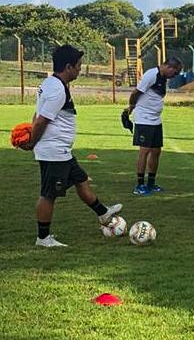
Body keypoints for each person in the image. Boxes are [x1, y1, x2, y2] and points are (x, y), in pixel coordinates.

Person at [22, 45, 122, 247]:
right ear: (68, 67)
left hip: (62, 151)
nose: (79, 70)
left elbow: (36, 114)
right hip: (54, 151)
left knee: (81, 179)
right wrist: (33, 142)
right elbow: (41, 120)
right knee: (48, 195)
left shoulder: (51, 83)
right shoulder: (57, 89)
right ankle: (43, 238)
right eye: (78, 66)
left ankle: (103, 213)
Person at [126, 56, 183, 196]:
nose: (174, 76)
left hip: (155, 119)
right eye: (175, 73)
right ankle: (140, 185)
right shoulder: (151, 75)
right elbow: (136, 92)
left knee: (156, 151)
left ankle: (151, 183)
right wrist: (131, 108)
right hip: (144, 118)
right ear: (169, 67)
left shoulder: (163, 78)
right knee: (144, 151)